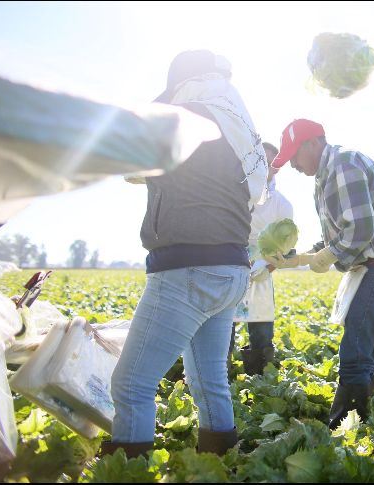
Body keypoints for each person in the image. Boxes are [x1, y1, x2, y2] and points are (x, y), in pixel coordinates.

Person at [103, 50, 267, 458]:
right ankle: (220, 462)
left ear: (180, 82)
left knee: (132, 386)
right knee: (209, 380)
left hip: (187, 269)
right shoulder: (235, 125)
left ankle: (128, 468)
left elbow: (127, 162)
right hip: (231, 270)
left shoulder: (183, 117)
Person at [265, 119, 374, 430]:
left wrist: (329, 255)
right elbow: (337, 237)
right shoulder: (325, 177)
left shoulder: (343, 165)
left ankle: (345, 432)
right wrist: (298, 258)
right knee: (370, 357)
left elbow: (360, 229)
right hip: (372, 267)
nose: (292, 164)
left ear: (313, 143)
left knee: (356, 354)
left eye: (294, 155)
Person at [229, 142, 293, 376]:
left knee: (261, 329)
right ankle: (221, 379)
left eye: (269, 164)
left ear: (275, 169)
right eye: (259, 161)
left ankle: (258, 379)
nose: (264, 168)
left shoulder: (282, 205)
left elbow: (284, 246)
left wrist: (267, 267)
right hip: (230, 264)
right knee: (224, 325)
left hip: (261, 270)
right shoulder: (234, 194)